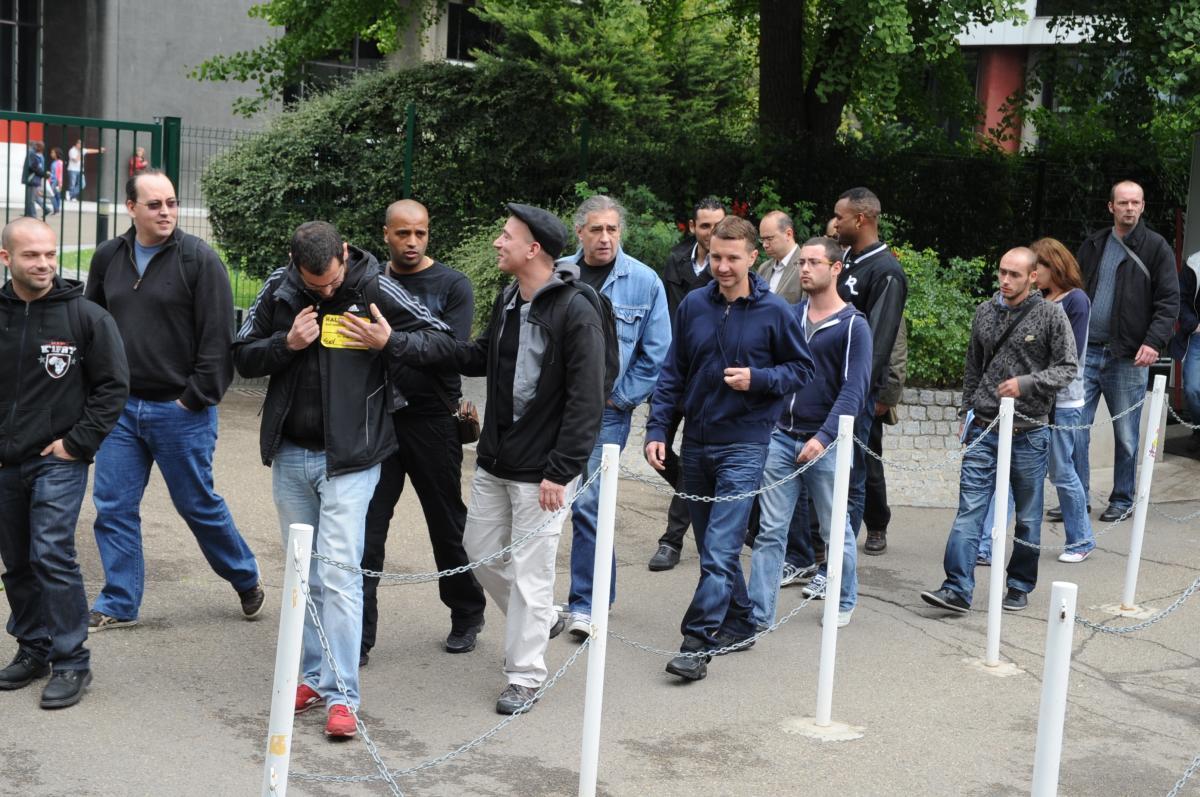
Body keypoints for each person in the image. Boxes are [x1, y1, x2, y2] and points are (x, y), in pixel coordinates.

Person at [233, 220, 456, 738]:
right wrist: (285, 344)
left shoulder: (375, 286)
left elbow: (443, 341)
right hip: (291, 454)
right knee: (303, 574)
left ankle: (342, 695)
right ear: (294, 263)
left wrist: (389, 340)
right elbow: (240, 354)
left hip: (354, 459)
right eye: (316, 286)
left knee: (339, 574)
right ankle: (311, 677)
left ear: (346, 254)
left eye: (332, 282)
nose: (326, 292)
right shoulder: (279, 287)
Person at [85, 169, 263, 630]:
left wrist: (195, 397)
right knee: (113, 507)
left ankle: (244, 577)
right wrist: (99, 391)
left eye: (171, 203)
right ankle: (120, 601)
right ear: (131, 208)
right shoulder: (109, 257)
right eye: (154, 204)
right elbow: (93, 326)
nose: (166, 212)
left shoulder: (199, 260)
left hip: (180, 411)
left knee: (197, 505)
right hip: (120, 411)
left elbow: (218, 337)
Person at [646, 216, 813, 681]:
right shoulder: (694, 305)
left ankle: (696, 643)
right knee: (710, 545)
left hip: (745, 443)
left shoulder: (776, 311)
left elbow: (802, 370)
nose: (721, 266)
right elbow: (672, 374)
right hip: (696, 443)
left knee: (719, 550)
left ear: (752, 257)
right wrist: (657, 429)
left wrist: (757, 379)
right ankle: (740, 620)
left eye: (732, 258)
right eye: (716, 256)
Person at [455, 203, 606, 714]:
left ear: (533, 249)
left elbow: (588, 397)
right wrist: (406, 344)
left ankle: (524, 675)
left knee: (531, 572)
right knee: (477, 550)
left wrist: (561, 470)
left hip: (543, 471)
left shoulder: (575, 308)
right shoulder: (508, 298)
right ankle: (542, 619)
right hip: (495, 458)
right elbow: (482, 356)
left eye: (506, 235)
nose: (498, 242)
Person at [0, 218, 128, 710]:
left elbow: (113, 386)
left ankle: (72, 660)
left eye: (50, 254)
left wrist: (77, 443)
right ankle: (33, 648)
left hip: (57, 459)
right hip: (5, 462)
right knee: (16, 561)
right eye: (32, 255)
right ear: (7, 259)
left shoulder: (86, 318)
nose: (45, 264)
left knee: (51, 551)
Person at [359, 200, 487, 663]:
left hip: (433, 419)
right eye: (402, 234)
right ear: (386, 234)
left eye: (420, 234)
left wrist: (392, 342)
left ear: (429, 234)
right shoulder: (369, 282)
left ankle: (467, 612)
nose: (412, 243)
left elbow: (451, 349)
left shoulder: (453, 284)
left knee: (447, 524)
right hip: (379, 420)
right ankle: (359, 636)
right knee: (368, 530)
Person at [920, 248, 1077, 614]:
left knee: (1027, 515)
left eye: (1015, 274)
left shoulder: (1050, 315)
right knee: (970, 509)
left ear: (1033, 277)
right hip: (985, 425)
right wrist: (966, 411)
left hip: (1029, 429)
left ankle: (1019, 585)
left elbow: (1068, 367)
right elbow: (973, 366)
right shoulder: (984, 312)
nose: (1005, 280)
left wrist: (1026, 383)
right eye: (1002, 273)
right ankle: (956, 587)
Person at [562, 195, 671, 639]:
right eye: (596, 230)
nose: (605, 238)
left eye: (612, 229)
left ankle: (586, 604)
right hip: (556, 409)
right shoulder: (559, 273)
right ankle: (584, 597)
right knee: (547, 505)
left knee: (590, 505)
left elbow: (657, 351)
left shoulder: (644, 282)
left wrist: (621, 398)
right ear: (580, 233)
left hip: (605, 414)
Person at [749, 236, 871, 630]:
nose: (804, 269)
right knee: (770, 529)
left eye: (814, 262)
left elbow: (854, 390)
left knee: (835, 529)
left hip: (828, 442)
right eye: (802, 262)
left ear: (836, 269)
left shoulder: (854, 325)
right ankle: (758, 611)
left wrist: (823, 437)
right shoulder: (790, 315)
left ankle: (842, 598)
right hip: (781, 436)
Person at [1076, 181, 1180, 522]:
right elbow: (1072, 290)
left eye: (1135, 202)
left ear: (1143, 206)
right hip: (1087, 351)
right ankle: (1076, 499)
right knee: (1074, 428)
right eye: (1123, 203)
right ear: (1111, 207)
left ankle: (1122, 498)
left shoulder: (1156, 247)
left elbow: (1168, 302)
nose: (1129, 208)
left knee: (1127, 435)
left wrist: (1153, 342)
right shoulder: (1094, 244)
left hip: (1129, 355)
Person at [647, 196, 727, 572]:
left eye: (718, 225)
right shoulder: (675, 261)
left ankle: (671, 539)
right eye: (706, 226)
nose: (712, 233)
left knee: (692, 456)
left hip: (707, 378)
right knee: (657, 451)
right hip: (671, 369)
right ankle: (702, 499)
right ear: (693, 228)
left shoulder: (728, 271)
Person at [832, 187, 908, 553]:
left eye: (840, 217)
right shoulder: (846, 259)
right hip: (827, 384)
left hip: (854, 391)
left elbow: (878, 344)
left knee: (851, 473)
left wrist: (858, 390)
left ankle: (840, 559)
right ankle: (821, 548)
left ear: (860, 219)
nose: (835, 223)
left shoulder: (887, 272)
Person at [1031, 237, 1096, 563]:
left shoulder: (1076, 301)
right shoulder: (1039, 298)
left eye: (1037, 266)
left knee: (1061, 470)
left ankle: (1081, 539)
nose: (1033, 273)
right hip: (1037, 399)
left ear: (1054, 266)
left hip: (1065, 401)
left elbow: (1071, 354)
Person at [1171, 251, 1200, 451]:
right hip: (1197, 338)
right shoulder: (1194, 263)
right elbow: (1180, 299)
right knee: (1192, 389)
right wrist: (1194, 325)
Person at [757, 210, 804, 304]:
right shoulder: (763, 268)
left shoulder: (806, 266)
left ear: (788, 234)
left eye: (769, 239)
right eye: (762, 239)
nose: (764, 245)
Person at [21, 141, 49, 219]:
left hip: (32, 180)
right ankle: (29, 214)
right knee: (32, 198)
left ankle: (32, 216)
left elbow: (34, 167)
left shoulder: (33, 154)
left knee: (31, 200)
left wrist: (44, 174)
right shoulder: (36, 154)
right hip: (33, 179)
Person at [46, 148, 63, 216]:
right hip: (53, 181)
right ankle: (56, 210)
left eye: (52, 153)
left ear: (57, 154)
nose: (51, 154)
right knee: (56, 196)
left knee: (52, 195)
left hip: (56, 181)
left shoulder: (59, 163)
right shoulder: (54, 162)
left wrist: (59, 184)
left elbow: (59, 174)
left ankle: (56, 210)